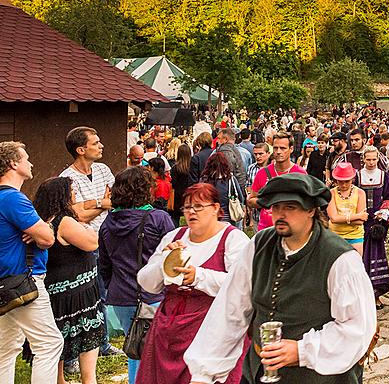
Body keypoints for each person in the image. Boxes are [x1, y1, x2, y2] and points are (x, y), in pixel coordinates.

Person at [183, 173, 378, 384]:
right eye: (276, 207)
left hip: (320, 377)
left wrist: (301, 350)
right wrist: (204, 372)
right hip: (260, 372)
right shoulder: (259, 245)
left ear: (311, 210)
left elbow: (358, 327)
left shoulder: (340, 258)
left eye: (290, 207)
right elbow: (230, 310)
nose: (280, 214)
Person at [136, 183, 250, 384]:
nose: (192, 212)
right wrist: (165, 262)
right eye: (187, 207)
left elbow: (242, 285)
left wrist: (198, 276)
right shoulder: (174, 236)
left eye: (198, 206)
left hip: (212, 326)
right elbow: (146, 282)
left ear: (215, 208)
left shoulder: (233, 239)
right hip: (169, 326)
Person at [99, 167, 175, 384]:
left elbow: (104, 265)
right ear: (145, 189)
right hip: (154, 295)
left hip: (121, 297)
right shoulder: (158, 219)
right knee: (160, 354)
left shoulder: (107, 223)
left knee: (135, 350)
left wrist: (114, 286)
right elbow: (173, 258)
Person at [0, 142, 63, 384]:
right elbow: (48, 239)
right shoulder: (14, 199)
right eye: (26, 158)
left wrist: (37, 231)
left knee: (6, 347)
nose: (31, 163)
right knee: (48, 343)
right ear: (14, 164)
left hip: (4, 281)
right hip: (24, 280)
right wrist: (43, 228)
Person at [33, 176, 104, 384]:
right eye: (72, 190)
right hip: (77, 291)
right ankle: (88, 380)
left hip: (55, 289)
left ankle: (59, 379)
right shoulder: (63, 221)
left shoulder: (43, 220)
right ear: (62, 195)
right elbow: (92, 243)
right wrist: (88, 227)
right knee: (87, 334)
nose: (75, 194)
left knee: (60, 337)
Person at [59, 126, 120, 359]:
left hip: (106, 240)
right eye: (96, 143)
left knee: (101, 294)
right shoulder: (67, 178)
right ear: (81, 149)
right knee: (82, 297)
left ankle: (102, 342)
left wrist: (93, 204)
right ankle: (75, 353)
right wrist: (102, 203)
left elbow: (113, 198)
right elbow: (75, 215)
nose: (101, 145)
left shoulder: (103, 169)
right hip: (82, 244)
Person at [356, 146, 389, 308]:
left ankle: (376, 295)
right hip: (360, 223)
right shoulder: (357, 176)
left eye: (374, 159)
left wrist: (384, 212)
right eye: (368, 159)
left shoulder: (383, 176)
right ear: (363, 159)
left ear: (378, 159)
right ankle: (360, 295)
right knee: (360, 258)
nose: (371, 162)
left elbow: (388, 197)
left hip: (377, 224)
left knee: (375, 256)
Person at [248, 132, 305, 231]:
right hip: (266, 229)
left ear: (291, 149)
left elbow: (306, 203)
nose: (278, 152)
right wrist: (267, 200)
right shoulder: (262, 173)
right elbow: (251, 200)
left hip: (292, 229)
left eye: (283, 148)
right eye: (275, 148)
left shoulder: (300, 173)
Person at [327, 162, 367, 255]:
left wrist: (341, 218)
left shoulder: (360, 193)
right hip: (335, 235)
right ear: (336, 180)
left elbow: (360, 221)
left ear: (352, 180)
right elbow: (333, 218)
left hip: (355, 236)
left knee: (355, 265)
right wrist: (357, 216)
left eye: (347, 181)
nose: (344, 185)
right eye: (340, 181)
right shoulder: (331, 193)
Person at [198, 153, 244, 227]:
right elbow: (240, 197)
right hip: (228, 216)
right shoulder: (230, 179)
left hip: (208, 215)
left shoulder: (204, 180)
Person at [170, 144, 193, 225]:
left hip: (177, 196)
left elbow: (173, 183)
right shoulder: (192, 167)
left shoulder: (175, 168)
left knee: (175, 218)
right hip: (189, 194)